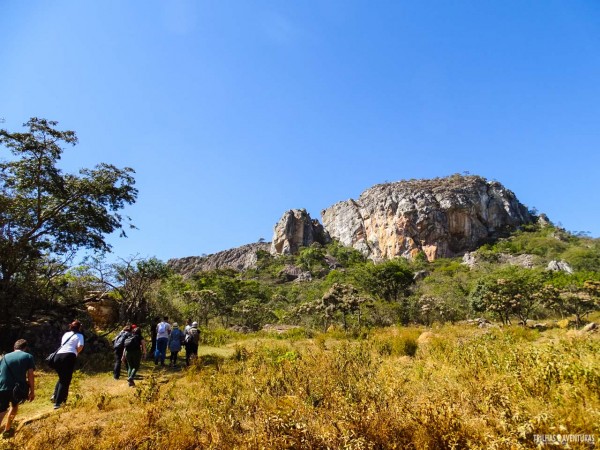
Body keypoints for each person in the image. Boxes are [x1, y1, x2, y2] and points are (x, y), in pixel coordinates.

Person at [0, 339, 35, 439]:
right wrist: (32, 391)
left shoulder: (4, 357)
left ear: (14, 347)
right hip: (17, 388)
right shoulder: (28, 356)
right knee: (14, 406)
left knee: (2, 410)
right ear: (25, 348)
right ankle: (7, 430)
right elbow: (30, 375)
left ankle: (6, 430)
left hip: (2, 386)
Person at [52, 320, 84, 409]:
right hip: (68, 356)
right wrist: (76, 353)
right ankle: (59, 403)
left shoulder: (66, 334)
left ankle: (55, 396)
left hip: (58, 356)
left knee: (62, 377)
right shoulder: (80, 335)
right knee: (66, 380)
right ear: (79, 327)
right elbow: (80, 346)